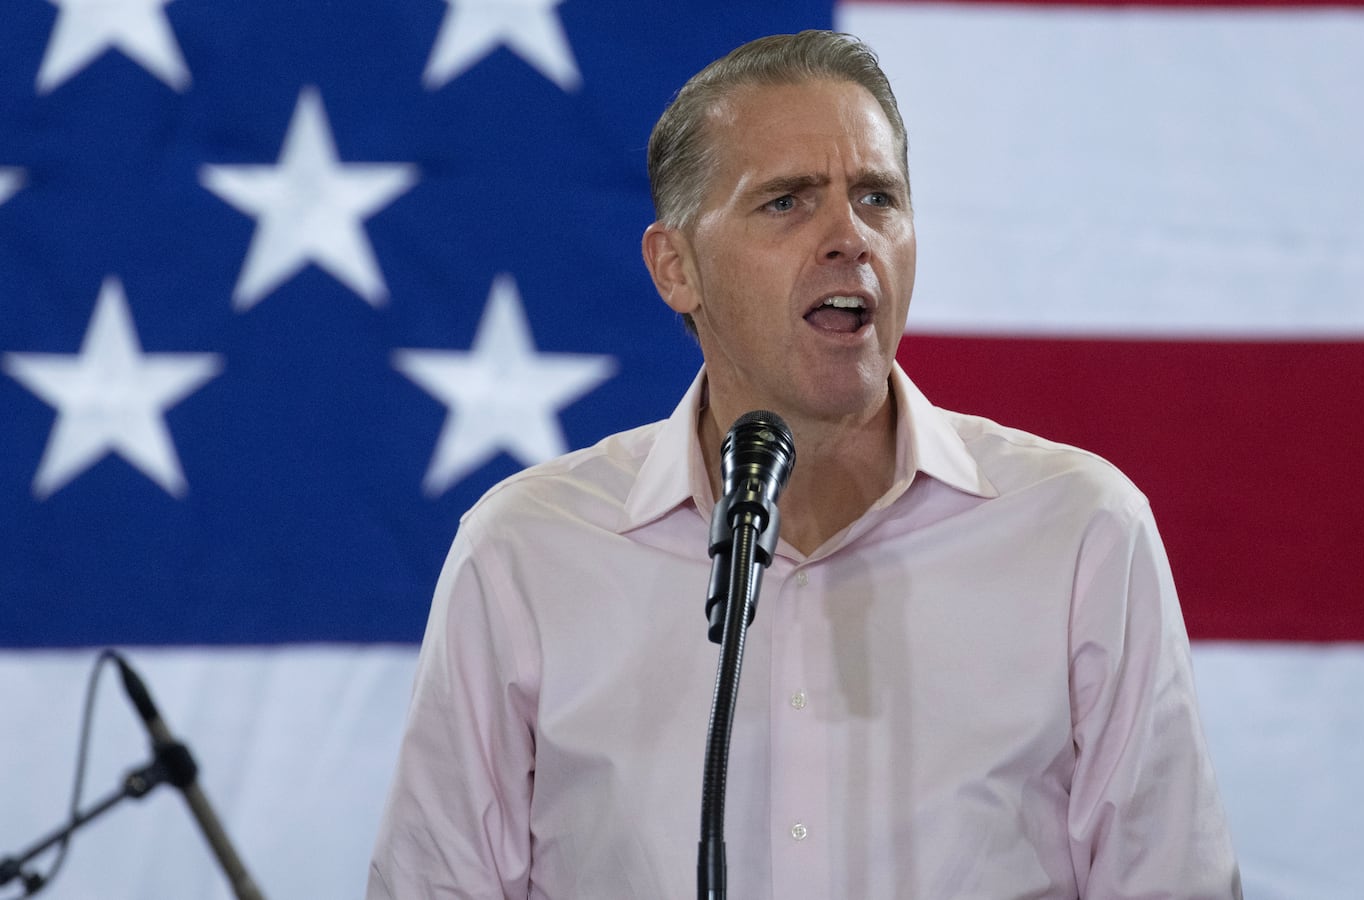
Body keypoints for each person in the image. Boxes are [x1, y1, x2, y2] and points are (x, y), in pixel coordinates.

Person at [367, 30, 1241, 899]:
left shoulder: (1078, 532)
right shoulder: (528, 553)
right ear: (677, 268)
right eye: (786, 202)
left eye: (877, 198)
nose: (848, 237)